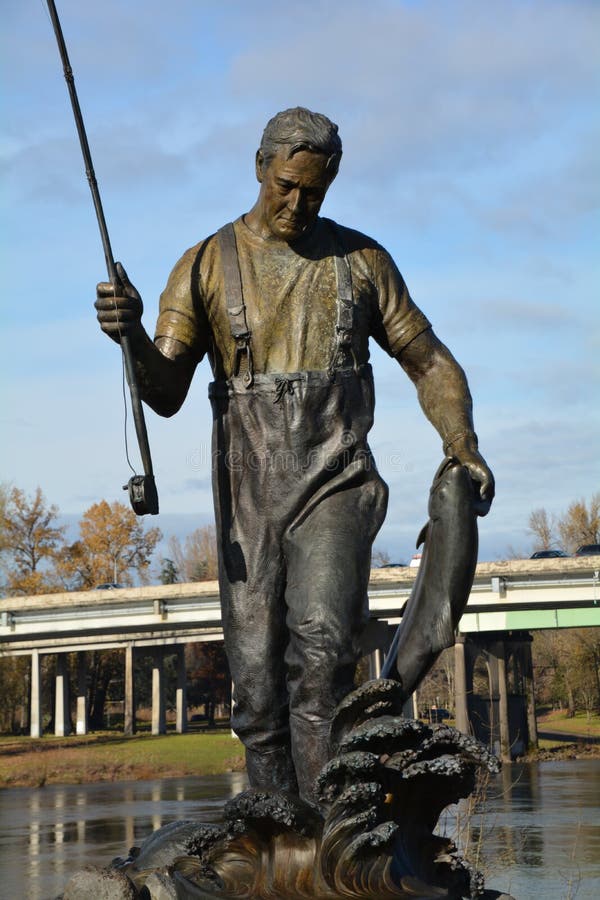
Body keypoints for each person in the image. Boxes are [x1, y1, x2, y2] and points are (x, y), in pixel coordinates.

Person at [96, 107, 494, 804]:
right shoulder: (201, 267)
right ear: (259, 167)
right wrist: (130, 340)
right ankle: (274, 829)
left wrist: (462, 445)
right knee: (254, 684)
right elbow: (163, 394)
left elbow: (429, 362)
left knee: (322, 652)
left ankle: (327, 831)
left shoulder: (363, 263)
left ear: (331, 181)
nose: (296, 203)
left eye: (313, 191)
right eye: (285, 185)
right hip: (249, 494)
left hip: (336, 480)